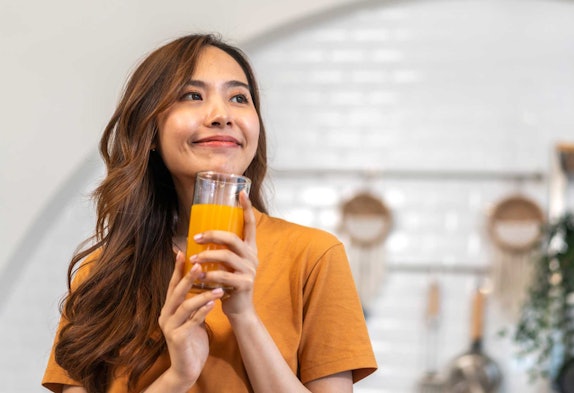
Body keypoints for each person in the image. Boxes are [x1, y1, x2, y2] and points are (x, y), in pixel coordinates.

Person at [42, 33, 377, 393]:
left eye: (238, 97)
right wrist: (178, 376)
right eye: (192, 96)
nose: (221, 115)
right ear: (150, 130)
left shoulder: (314, 257)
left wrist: (243, 317)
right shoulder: (102, 274)